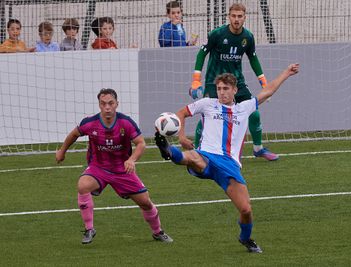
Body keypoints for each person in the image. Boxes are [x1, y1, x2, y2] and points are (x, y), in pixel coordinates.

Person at [156, 63, 299, 253]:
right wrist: (181, 136)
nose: (221, 92)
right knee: (191, 157)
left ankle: (245, 238)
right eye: (219, 89)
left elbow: (268, 91)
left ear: (234, 90)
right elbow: (181, 113)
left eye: (225, 89)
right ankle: (166, 148)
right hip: (206, 155)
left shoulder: (245, 107)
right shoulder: (207, 104)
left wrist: (286, 73)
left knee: (246, 210)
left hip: (230, 166)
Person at [56, 88, 173, 244]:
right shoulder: (90, 123)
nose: (107, 107)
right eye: (103, 104)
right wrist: (62, 151)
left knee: (145, 202)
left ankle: (158, 232)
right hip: (98, 168)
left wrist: (131, 160)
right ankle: (89, 229)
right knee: (83, 185)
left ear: (117, 104)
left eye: (110, 103)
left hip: (122, 170)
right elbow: (74, 134)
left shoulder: (126, 122)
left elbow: (141, 143)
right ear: (99, 105)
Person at [189, 3, 278, 161]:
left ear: (245, 17)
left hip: (236, 81)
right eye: (233, 16)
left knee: (254, 113)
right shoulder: (217, 34)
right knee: (207, 116)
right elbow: (202, 53)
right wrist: (196, 80)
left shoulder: (248, 37)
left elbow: (253, 58)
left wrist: (263, 82)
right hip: (214, 81)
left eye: (240, 16)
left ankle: (258, 148)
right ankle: (197, 151)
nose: (236, 19)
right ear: (229, 17)